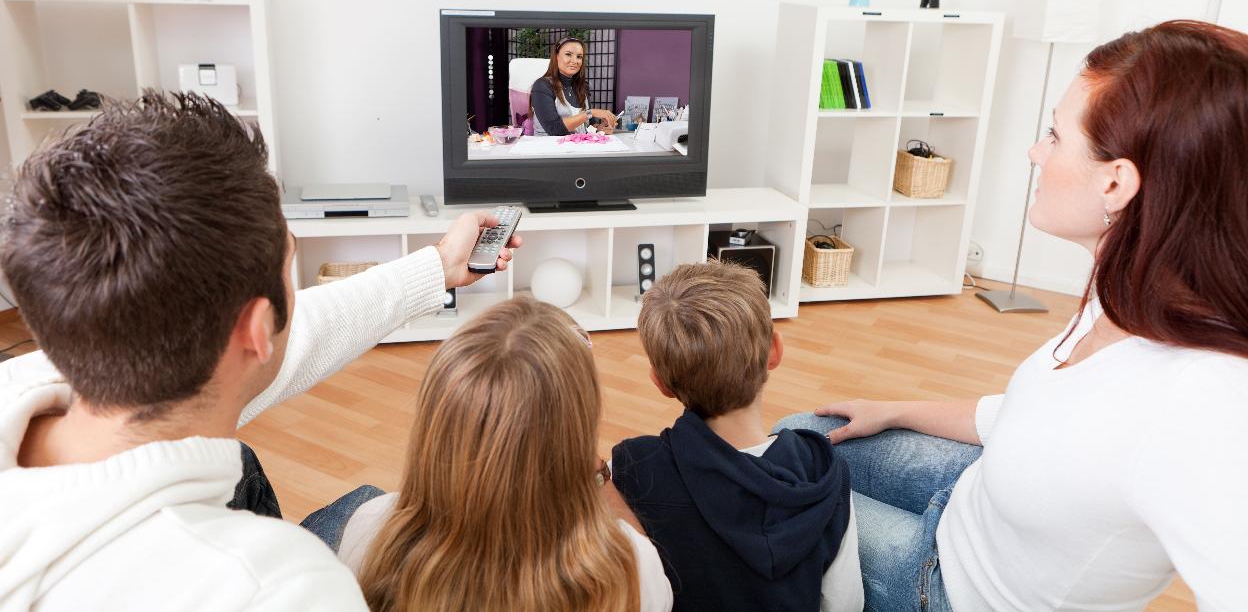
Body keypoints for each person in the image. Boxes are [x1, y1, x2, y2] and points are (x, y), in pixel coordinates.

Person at [776, 20, 1248, 612]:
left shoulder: (1204, 397)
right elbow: (1034, 415)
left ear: (1116, 182)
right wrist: (896, 410)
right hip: (970, 500)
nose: (1034, 153)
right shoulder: (1131, 288)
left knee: (762, 492)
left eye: (1053, 136)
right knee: (797, 436)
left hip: (945, 589)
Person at [0, 94, 521, 611]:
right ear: (255, 329)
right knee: (372, 509)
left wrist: (437, 266)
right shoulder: (287, 588)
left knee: (250, 467)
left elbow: (299, 335)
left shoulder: (43, 377)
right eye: (289, 270)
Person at [324, 296, 672, 612]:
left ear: (436, 426)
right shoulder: (628, 565)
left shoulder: (371, 531)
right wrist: (598, 477)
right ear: (573, 432)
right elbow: (651, 575)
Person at [612, 261, 863, 612]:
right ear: (775, 351)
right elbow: (845, 604)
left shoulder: (633, 468)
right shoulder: (823, 471)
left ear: (661, 383)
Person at [530, 36, 617, 136]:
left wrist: (600, 129)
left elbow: (589, 125)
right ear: (556, 56)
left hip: (577, 148)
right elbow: (554, 129)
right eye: (568, 54)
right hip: (549, 149)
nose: (575, 61)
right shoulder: (542, 86)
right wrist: (590, 113)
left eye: (579, 57)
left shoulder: (582, 86)